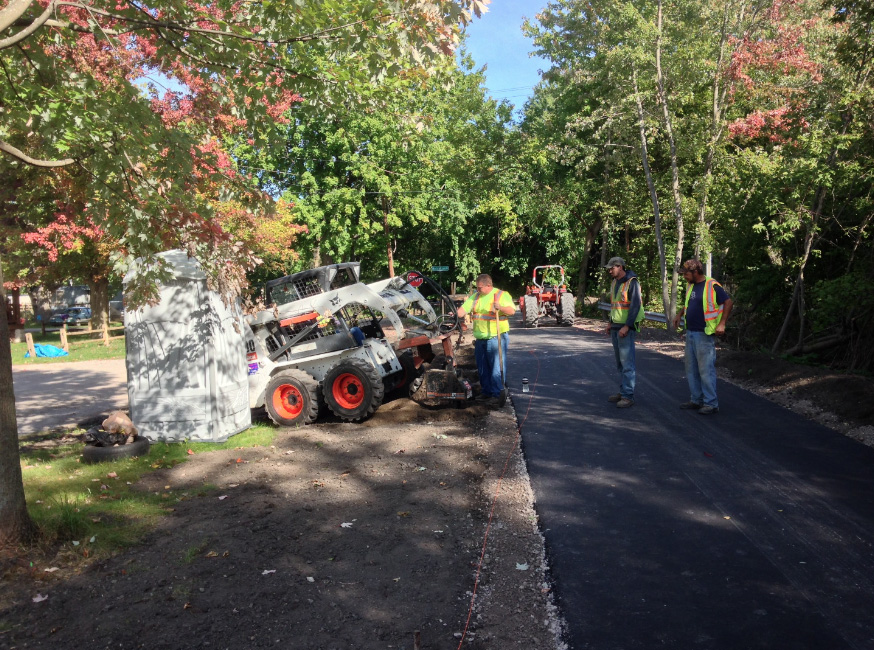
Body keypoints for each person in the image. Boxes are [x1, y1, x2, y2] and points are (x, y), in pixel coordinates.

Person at [672, 258, 734, 415]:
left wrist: (722, 324)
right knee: (691, 368)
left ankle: (711, 403)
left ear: (695, 272)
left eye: (686, 274)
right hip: (691, 332)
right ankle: (696, 400)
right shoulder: (690, 285)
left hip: (704, 334)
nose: (684, 276)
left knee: (705, 370)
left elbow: (728, 302)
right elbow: (688, 304)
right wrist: (680, 314)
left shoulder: (712, 285)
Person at [456, 274, 516, 402]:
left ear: (489, 285)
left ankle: (496, 394)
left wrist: (500, 307)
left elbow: (512, 311)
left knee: (496, 368)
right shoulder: (476, 297)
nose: (478, 290)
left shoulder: (500, 295)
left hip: (495, 337)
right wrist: (454, 315)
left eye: (480, 287)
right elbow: (463, 310)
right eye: (477, 288)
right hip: (480, 339)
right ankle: (487, 392)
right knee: (482, 368)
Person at [603, 257, 644, 408]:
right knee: (620, 363)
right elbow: (614, 306)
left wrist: (627, 326)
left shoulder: (632, 283)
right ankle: (623, 390)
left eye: (611, 268)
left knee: (627, 363)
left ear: (620, 267)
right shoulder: (615, 283)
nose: (609, 270)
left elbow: (635, 307)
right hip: (616, 326)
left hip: (625, 328)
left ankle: (628, 396)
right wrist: (610, 323)